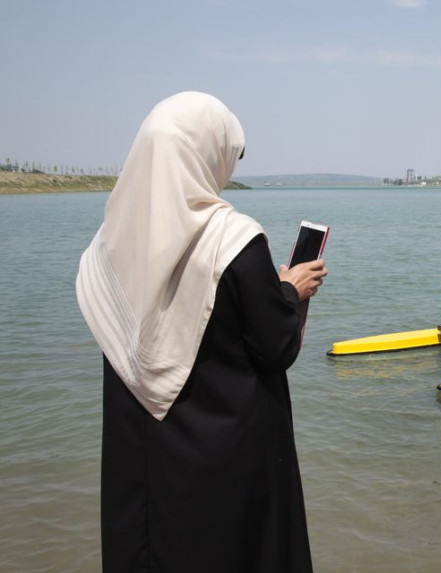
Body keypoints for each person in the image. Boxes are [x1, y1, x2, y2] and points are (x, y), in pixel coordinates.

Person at [76, 92, 326, 572]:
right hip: (228, 455)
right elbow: (275, 347)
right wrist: (292, 292)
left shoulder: (107, 245)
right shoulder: (234, 238)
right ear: (206, 154)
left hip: (141, 451)